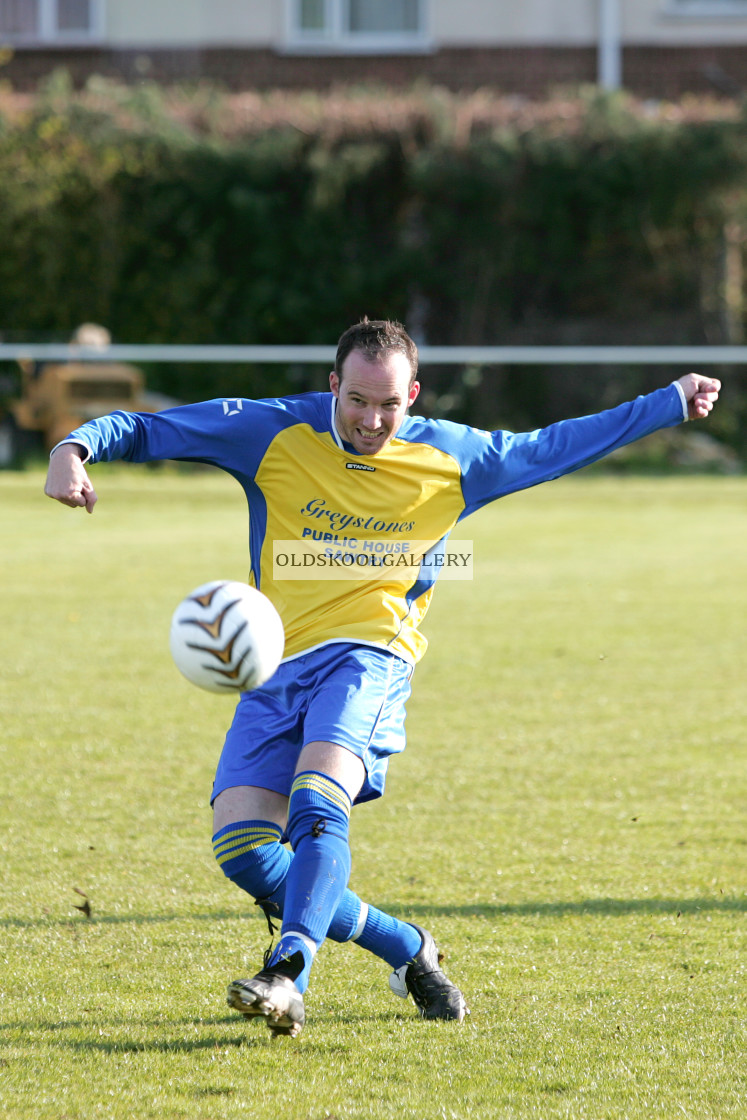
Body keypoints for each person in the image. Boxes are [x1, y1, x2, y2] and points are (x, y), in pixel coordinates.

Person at [44, 318, 721, 1038]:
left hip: (370, 655)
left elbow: (554, 447)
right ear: (332, 385)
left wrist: (668, 403)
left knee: (315, 805)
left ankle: (287, 971)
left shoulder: (455, 456)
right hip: (274, 667)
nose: (372, 420)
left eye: (389, 405)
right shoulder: (274, 432)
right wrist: (71, 448)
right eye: (357, 401)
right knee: (244, 853)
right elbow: (149, 429)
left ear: (414, 395)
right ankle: (406, 948)